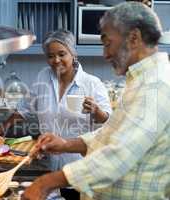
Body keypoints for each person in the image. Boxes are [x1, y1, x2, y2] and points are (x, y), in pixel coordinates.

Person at [21, 2, 170, 200]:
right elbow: (111, 134)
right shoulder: (141, 82)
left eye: (108, 43)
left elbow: (118, 155)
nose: (105, 54)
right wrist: (65, 144)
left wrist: (46, 183)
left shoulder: (156, 87)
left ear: (134, 38)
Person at [0, 29, 112, 170]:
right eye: (51, 56)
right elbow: (25, 108)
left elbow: (108, 121)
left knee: (71, 192)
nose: (56, 60)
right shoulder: (43, 77)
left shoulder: (92, 83)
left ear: (73, 54)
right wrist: (3, 127)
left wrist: (96, 111)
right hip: (47, 162)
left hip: (79, 164)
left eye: (62, 54)